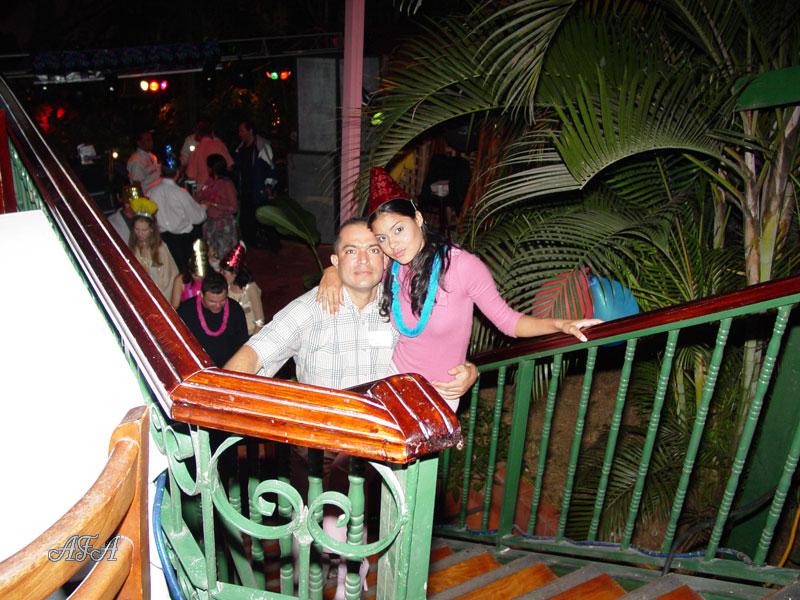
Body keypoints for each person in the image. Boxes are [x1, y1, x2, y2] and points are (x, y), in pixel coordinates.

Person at [317, 167, 602, 411]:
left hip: (440, 394)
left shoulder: (463, 267)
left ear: (418, 218)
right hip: (394, 381)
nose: (392, 244)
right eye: (382, 238)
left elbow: (510, 322)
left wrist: (560, 324)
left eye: (399, 229)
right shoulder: (392, 266)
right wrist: (332, 273)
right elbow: (357, 269)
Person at [224, 217, 477, 398]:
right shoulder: (310, 309)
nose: (363, 260)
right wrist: (216, 397)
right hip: (327, 444)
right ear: (335, 261)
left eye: (373, 250)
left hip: (386, 443)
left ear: (386, 260)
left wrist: (468, 370)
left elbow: (436, 346)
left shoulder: (403, 305)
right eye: (351, 251)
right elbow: (255, 354)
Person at [177, 270, 248, 367]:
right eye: (212, 302)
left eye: (222, 300)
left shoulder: (235, 309)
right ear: (202, 295)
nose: (218, 305)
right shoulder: (186, 311)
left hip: (229, 367)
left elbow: (242, 344)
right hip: (197, 367)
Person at [148, 162, 207, 271]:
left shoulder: (151, 191)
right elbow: (197, 218)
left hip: (160, 239)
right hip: (181, 241)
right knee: (183, 271)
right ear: (177, 173)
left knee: (168, 270)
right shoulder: (180, 192)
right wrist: (204, 207)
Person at [233, 120, 278, 249]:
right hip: (245, 191)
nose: (239, 134)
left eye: (242, 131)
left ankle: (269, 247)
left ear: (250, 131)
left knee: (262, 220)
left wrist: (268, 186)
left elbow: (271, 168)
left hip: (259, 191)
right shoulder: (240, 149)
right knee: (246, 222)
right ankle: (249, 247)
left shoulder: (262, 148)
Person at [127, 197, 178, 300]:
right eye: (137, 229)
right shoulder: (133, 247)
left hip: (160, 295)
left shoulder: (160, 248)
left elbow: (170, 278)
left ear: (151, 229)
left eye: (144, 230)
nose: (140, 234)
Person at [195, 153, 239, 267]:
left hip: (223, 225)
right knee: (211, 255)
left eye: (208, 166)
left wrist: (213, 204)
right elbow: (200, 195)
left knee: (224, 256)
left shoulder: (227, 184)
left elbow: (234, 207)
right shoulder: (210, 181)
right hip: (210, 224)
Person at [220, 242, 265, 335]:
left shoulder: (250, 288)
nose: (221, 275)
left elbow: (260, 321)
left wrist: (251, 341)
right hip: (234, 333)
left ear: (235, 273)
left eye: (224, 273)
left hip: (251, 333)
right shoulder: (226, 286)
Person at [183, 115, 234, 187]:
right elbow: (230, 167)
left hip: (203, 189)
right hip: (220, 188)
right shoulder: (220, 145)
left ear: (198, 134)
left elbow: (191, 177)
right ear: (212, 132)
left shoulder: (196, 151)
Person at [170, 239, 208, 309]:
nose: (200, 279)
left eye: (203, 275)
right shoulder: (180, 280)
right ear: (189, 271)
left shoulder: (214, 277)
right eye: (196, 276)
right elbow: (175, 306)